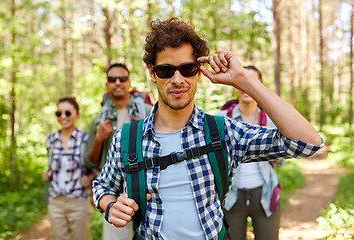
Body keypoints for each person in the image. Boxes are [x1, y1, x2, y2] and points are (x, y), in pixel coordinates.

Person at [92, 18, 323, 239]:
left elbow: (308, 143)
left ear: (199, 72)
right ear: (152, 73)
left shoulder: (225, 133)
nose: (177, 79)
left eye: (188, 69)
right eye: (165, 71)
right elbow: (102, 185)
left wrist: (244, 79)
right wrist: (110, 205)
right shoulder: (127, 138)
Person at [84, 63, 152, 240]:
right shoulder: (99, 120)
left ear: (129, 82)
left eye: (122, 79)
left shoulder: (148, 113)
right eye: (112, 79)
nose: (118, 83)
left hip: (148, 189)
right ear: (107, 85)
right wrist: (99, 138)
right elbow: (89, 161)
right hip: (114, 194)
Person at [217, 65, 283, 240]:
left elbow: (280, 160)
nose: (246, 86)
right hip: (231, 197)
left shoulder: (271, 117)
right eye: (242, 80)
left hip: (265, 193)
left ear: (259, 85)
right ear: (235, 85)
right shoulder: (222, 118)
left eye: (252, 81)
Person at [42, 97, 92, 240]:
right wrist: (46, 174)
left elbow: (98, 165)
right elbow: (51, 166)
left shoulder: (86, 139)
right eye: (59, 113)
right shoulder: (50, 140)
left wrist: (90, 178)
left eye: (68, 113)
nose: (63, 117)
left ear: (77, 114)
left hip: (79, 200)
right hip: (55, 201)